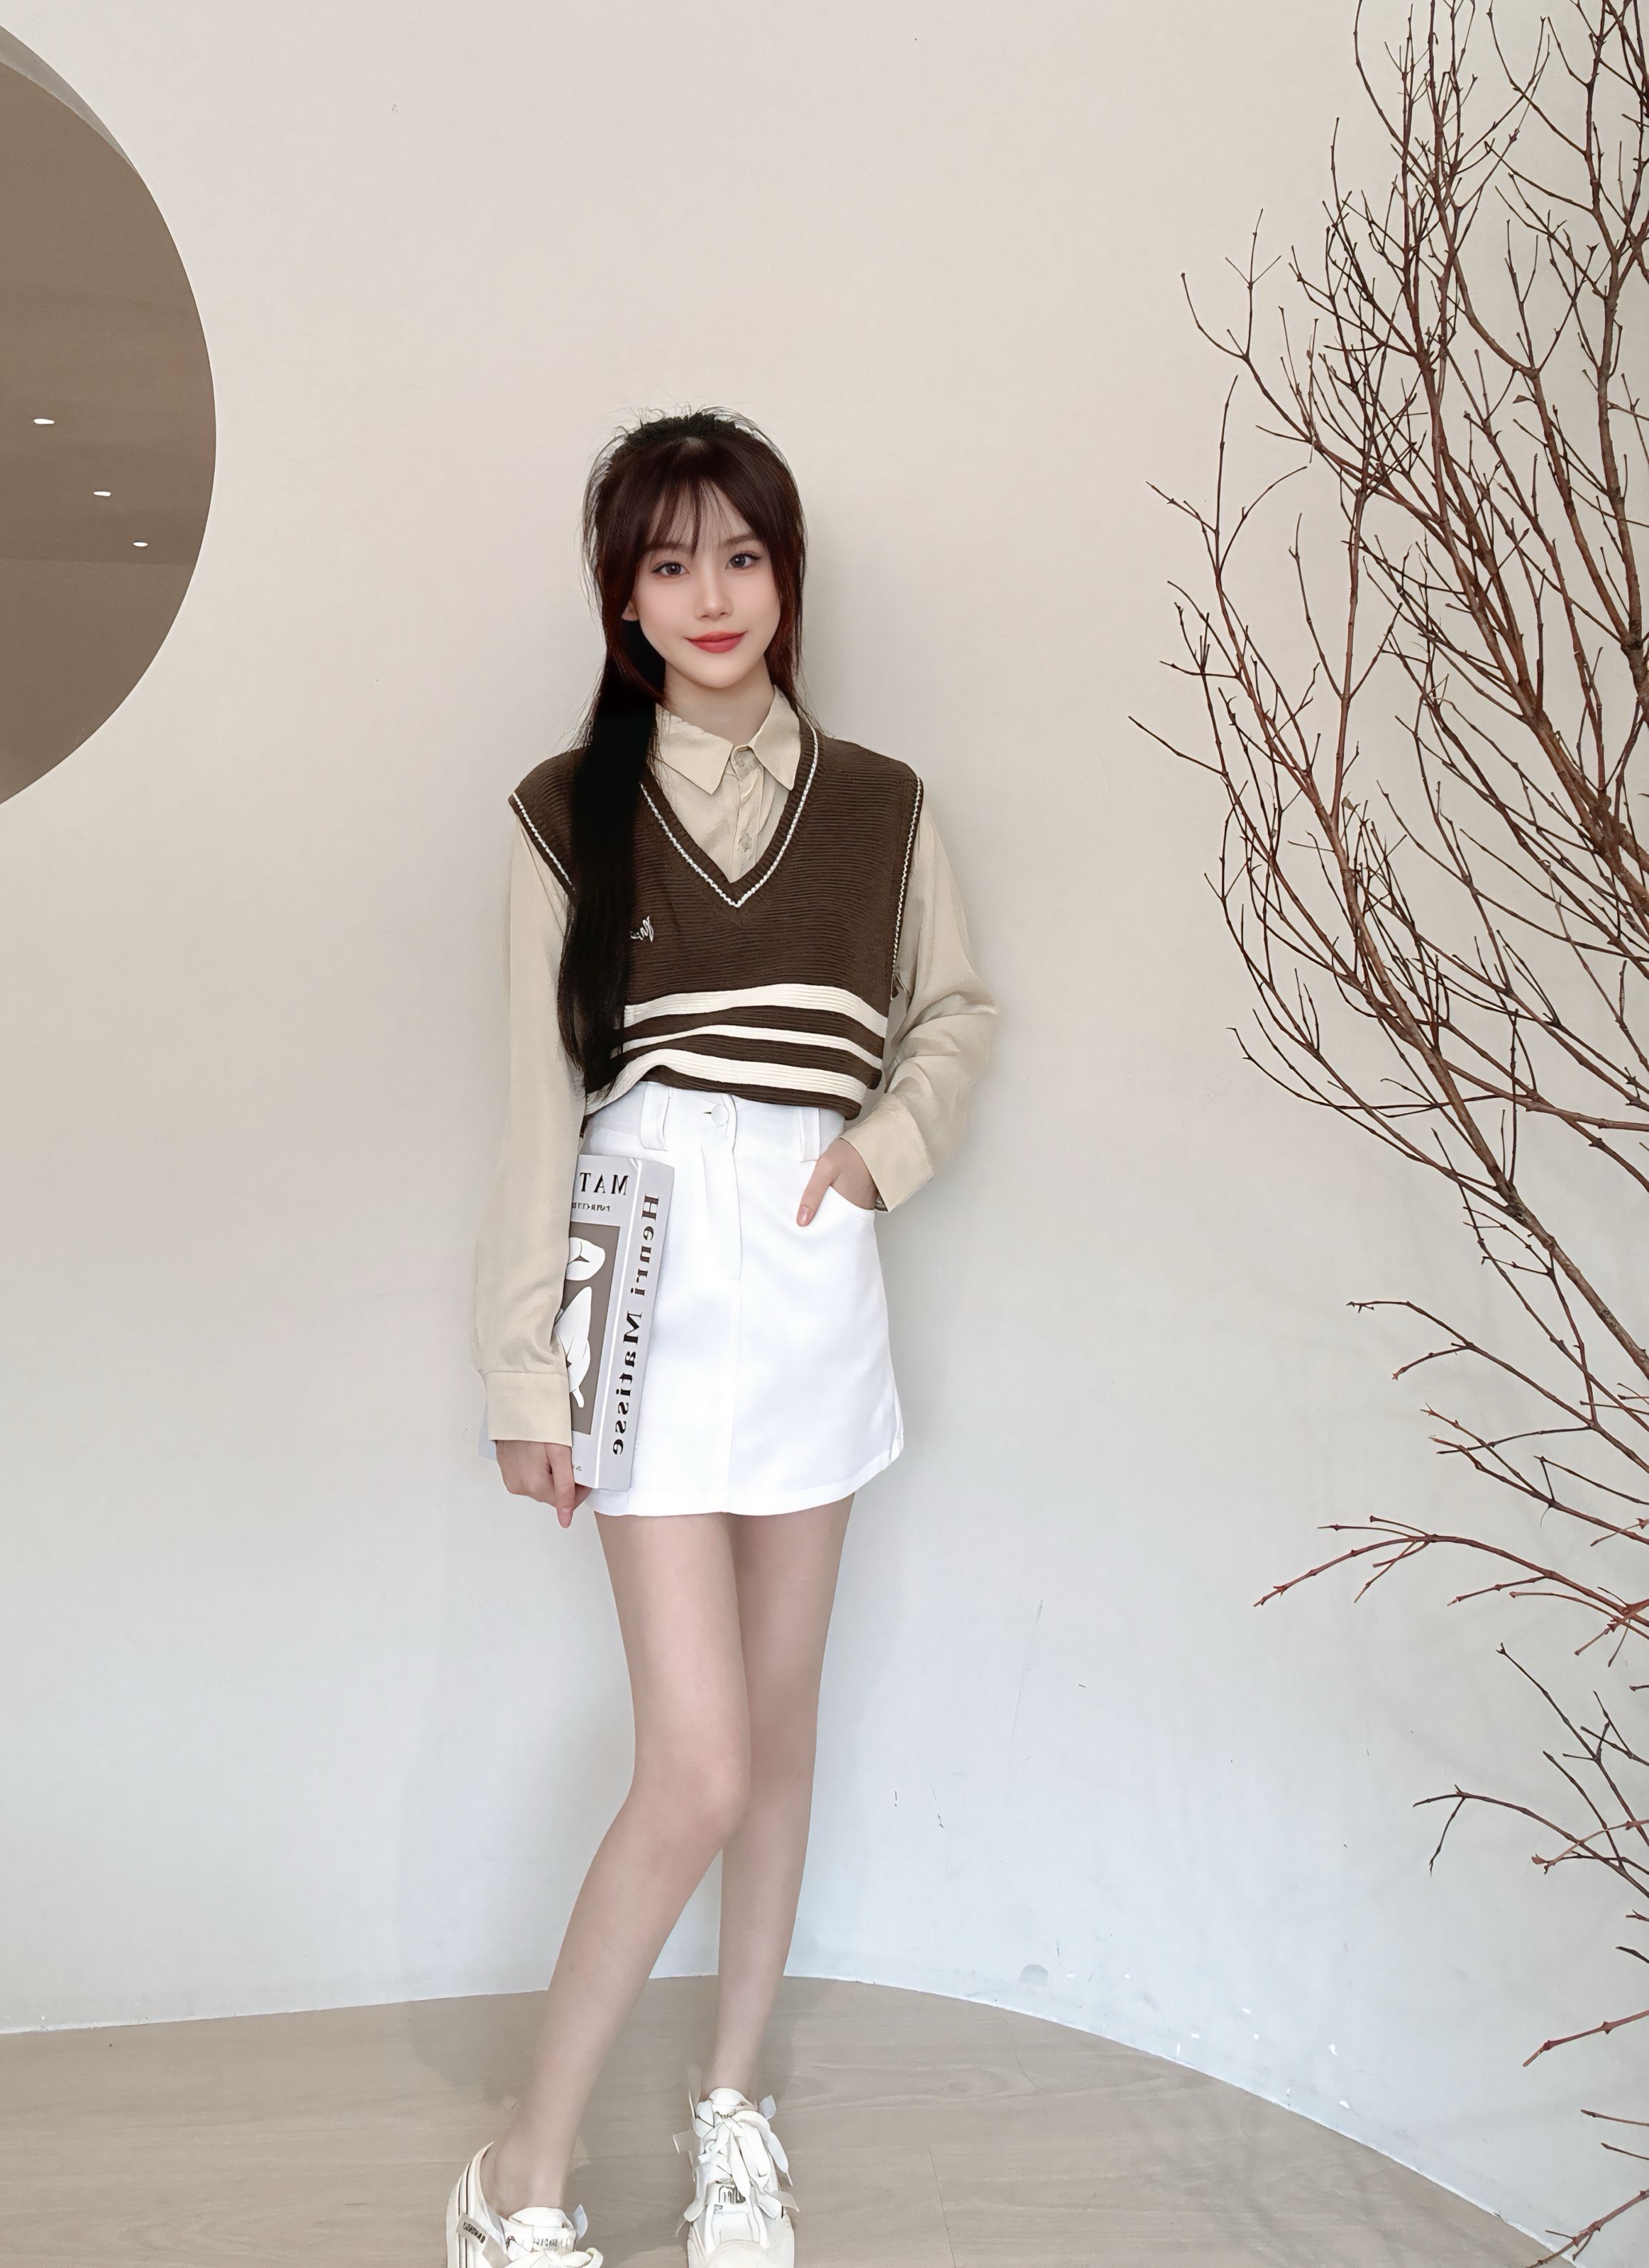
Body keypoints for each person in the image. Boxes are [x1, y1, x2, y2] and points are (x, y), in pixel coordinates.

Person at [450, 409, 996, 2267]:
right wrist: (522, 1368)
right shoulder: (564, 811)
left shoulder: (883, 805)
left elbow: (954, 1014)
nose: (710, 595)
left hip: (814, 1265)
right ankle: (522, 2169)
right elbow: (536, 1106)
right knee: (694, 1759)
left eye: (740, 556)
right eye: (669, 561)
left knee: (775, 1727)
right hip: (646, 1273)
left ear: (785, 576)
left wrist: (875, 1159)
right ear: (621, 594)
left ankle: (731, 2106)